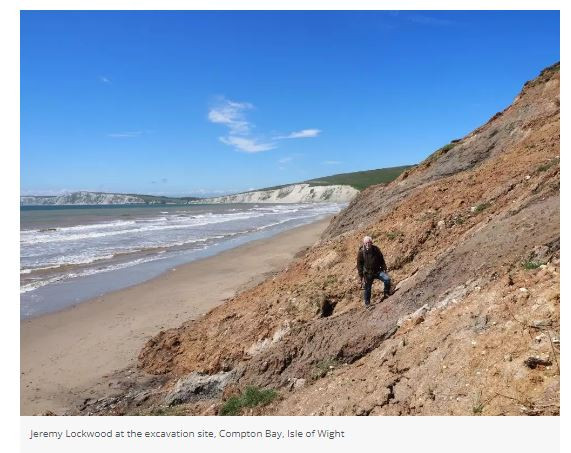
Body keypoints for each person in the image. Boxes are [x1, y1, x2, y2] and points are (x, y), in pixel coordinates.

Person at [356, 236, 392, 308]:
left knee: (387, 279)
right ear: (364, 243)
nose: (368, 244)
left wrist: (384, 267)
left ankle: (386, 293)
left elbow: (381, 258)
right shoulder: (361, 252)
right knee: (367, 288)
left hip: (377, 271)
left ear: (371, 242)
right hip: (368, 273)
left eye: (369, 242)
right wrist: (361, 276)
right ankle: (367, 303)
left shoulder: (376, 249)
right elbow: (359, 265)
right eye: (366, 243)